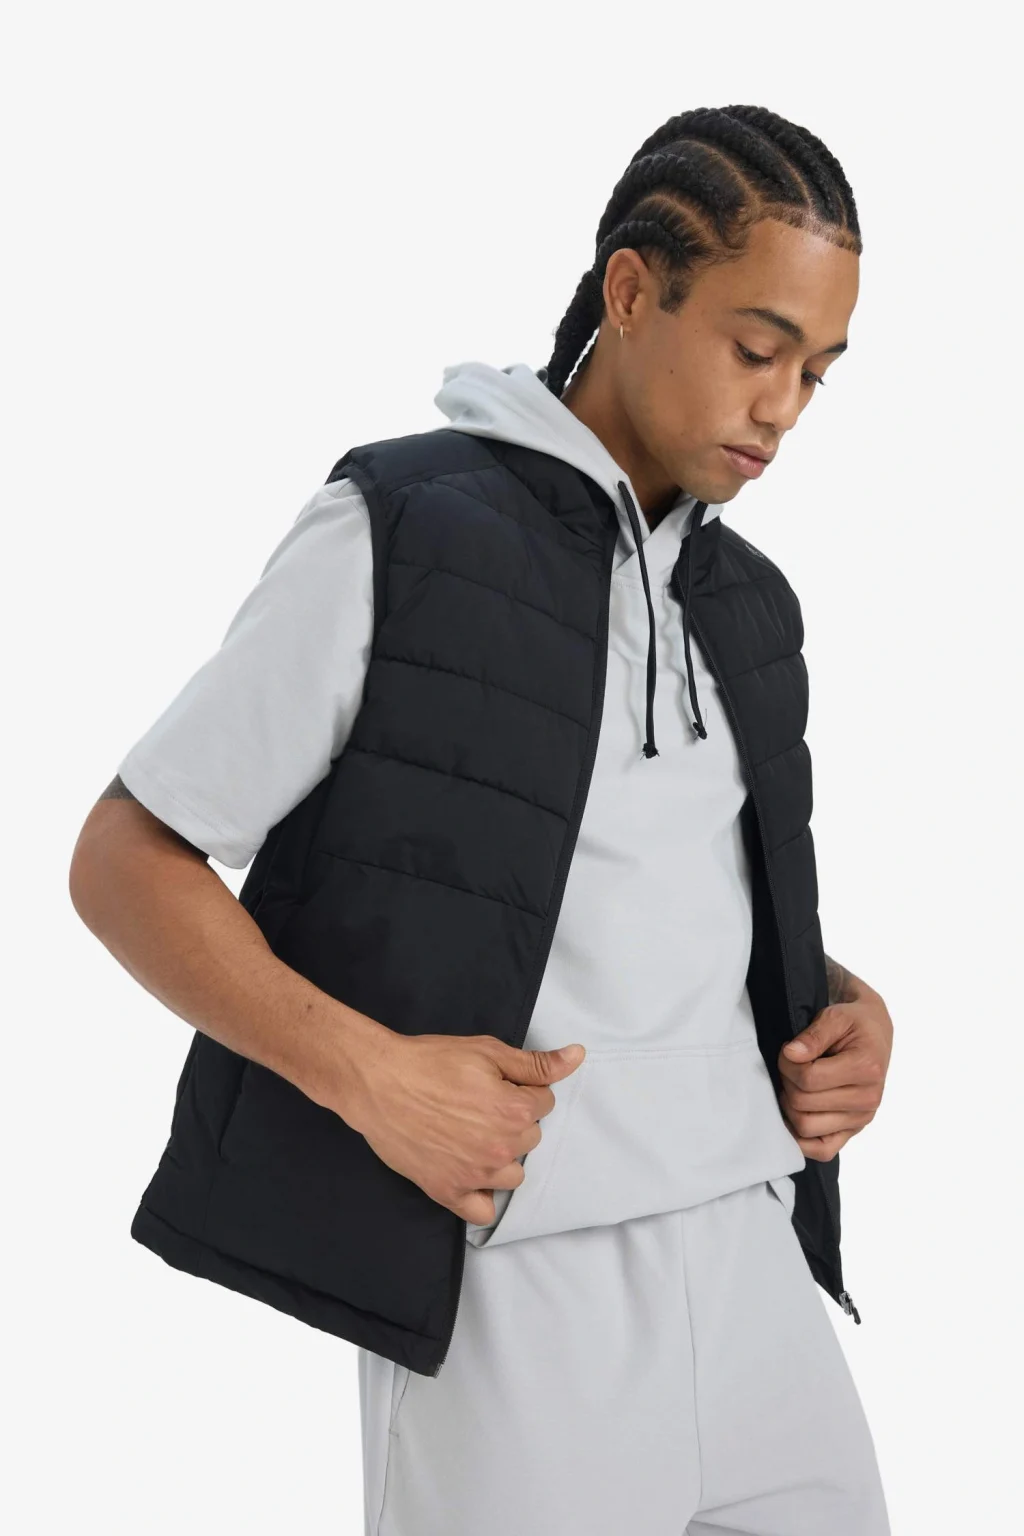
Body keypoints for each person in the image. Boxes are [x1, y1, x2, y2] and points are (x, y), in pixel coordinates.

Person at [70, 103, 894, 1534]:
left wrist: (839, 1003)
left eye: (817, 372)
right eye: (758, 349)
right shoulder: (404, 527)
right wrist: (369, 1078)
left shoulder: (751, 605)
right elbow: (124, 857)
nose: (783, 408)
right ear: (632, 291)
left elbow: (653, 904)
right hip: (517, 1279)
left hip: (757, 1256)